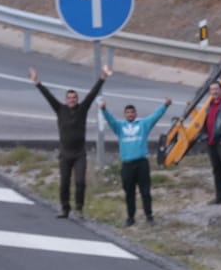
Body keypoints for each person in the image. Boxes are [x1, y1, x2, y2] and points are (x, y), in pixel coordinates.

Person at [30, 65, 109, 219]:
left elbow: (92, 94)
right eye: (69, 98)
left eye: (74, 98)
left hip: (79, 153)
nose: (72, 100)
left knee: (80, 182)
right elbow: (49, 96)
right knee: (64, 183)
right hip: (65, 154)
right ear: (66, 100)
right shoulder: (60, 109)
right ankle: (64, 208)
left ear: (77, 100)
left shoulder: (82, 109)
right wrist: (37, 82)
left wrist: (102, 78)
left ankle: (79, 208)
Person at [103, 96, 174, 226]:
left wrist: (165, 105)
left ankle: (149, 216)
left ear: (136, 114)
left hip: (142, 163)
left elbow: (155, 116)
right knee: (129, 193)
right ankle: (130, 217)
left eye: (132, 112)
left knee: (145, 191)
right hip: (127, 164)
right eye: (128, 113)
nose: (130, 114)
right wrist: (104, 110)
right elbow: (110, 120)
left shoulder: (143, 125)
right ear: (125, 115)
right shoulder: (120, 127)